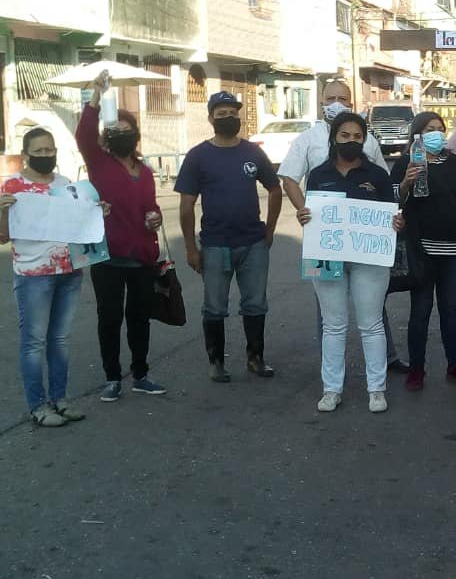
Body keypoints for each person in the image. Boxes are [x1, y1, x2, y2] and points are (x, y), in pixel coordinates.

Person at [277, 79, 409, 374]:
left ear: (351, 102)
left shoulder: (368, 140)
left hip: (365, 242)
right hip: (325, 240)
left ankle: (386, 359)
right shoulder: (307, 139)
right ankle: (331, 375)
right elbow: (288, 178)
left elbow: (382, 184)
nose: (337, 102)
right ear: (322, 101)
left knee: (372, 308)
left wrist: (387, 221)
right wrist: (304, 211)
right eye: (331, 97)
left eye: (343, 98)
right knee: (328, 315)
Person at [296, 112, 403, 414]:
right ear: (333, 138)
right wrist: (304, 215)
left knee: (371, 324)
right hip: (327, 256)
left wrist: (396, 222)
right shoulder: (318, 174)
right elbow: (312, 211)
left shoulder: (378, 176)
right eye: (345, 135)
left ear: (365, 139)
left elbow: (389, 214)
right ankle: (331, 390)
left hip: (369, 260)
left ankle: (377, 389)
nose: (351, 141)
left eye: (357, 136)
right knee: (333, 326)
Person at [176, 91, 282, 383]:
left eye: (232, 113)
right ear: (210, 118)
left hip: (253, 242)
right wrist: (190, 248)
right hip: (214, 244)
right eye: (220, 114)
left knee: (256, 304)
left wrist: (269, 230)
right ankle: (216, 362)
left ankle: (255, 358)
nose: (227, 118)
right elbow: (186, 206)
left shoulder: (253, 153)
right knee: (214, 306)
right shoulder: (198, 156)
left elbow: (275, 189)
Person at [76, 74, 168, 402]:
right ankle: (112, 377)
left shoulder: (144, 172)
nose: (122, 136)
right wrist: (96, 99)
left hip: (142, 255)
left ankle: (141, 374)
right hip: (108, 256)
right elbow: (84, 134)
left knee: (139, 317)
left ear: (136, 135)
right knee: (110, 318)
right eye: (115, 131)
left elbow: (151, 207)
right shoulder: (99, 163)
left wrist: (155, 216)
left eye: (127, 130)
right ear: (107, 138)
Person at [0, 128, 89, 427]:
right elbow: (2, 237)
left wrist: (95, 212)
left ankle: (60, 400)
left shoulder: (64, 184)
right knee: (34, 342)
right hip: (33, 275)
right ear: (26, 154)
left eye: (50, 150)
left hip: (68, 271)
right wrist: (1, 213)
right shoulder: (12, 186)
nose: (45, 156)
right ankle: (38, 406)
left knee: (60, 340)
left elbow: (77, 222)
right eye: (38, 151)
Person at [391, 111, 456, 390]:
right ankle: (416, 369)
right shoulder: (406, 163)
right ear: (417, 134)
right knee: (420, 311)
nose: (436, 133)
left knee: (449, 310)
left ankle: (455, 365)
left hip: (452, 252)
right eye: (430, 128)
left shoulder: (454, 162)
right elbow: (392, 200)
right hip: (420, 252)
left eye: (440, 128)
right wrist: (406, 182)